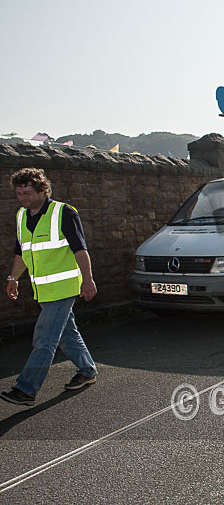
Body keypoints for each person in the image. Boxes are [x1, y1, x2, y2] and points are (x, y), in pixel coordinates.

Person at [1, 168, 98, 406]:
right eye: (19, 193)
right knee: (66, 334)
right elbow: (21, 253)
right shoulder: (21, 216)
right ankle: (87, 370)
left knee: (44, 339)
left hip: (63, 288)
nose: (23, 197)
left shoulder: (63, 213)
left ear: (43, 190)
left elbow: (80, 249)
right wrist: (13, 280)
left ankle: (26, 389)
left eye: (28, 192)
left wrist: (88, 278)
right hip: (43, 290)